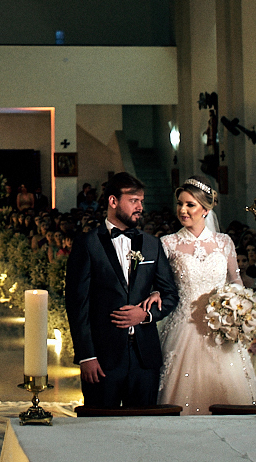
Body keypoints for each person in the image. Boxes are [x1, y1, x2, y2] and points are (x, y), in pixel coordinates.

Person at [147, 176, 256, 414]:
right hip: (183, 326)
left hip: (221, 328)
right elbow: (160, 283)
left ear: (206, 209)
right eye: (180, 203)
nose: (183, 210)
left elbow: (236, 282)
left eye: (190, 204)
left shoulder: (224, 243)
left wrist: (239, 313)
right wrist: (156, 292)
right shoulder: (168, 243)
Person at [65, 172, 179, 408]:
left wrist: (146, 315)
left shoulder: (151, 244)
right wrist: (87, 356)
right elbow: (77, 304)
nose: (140, 207)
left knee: (143, 428)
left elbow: (170, 295)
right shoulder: (88, 243)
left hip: (144, 358)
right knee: (100, 428)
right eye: (133, 200)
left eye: (142, 201)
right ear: (113, 201)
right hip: (102, 358)